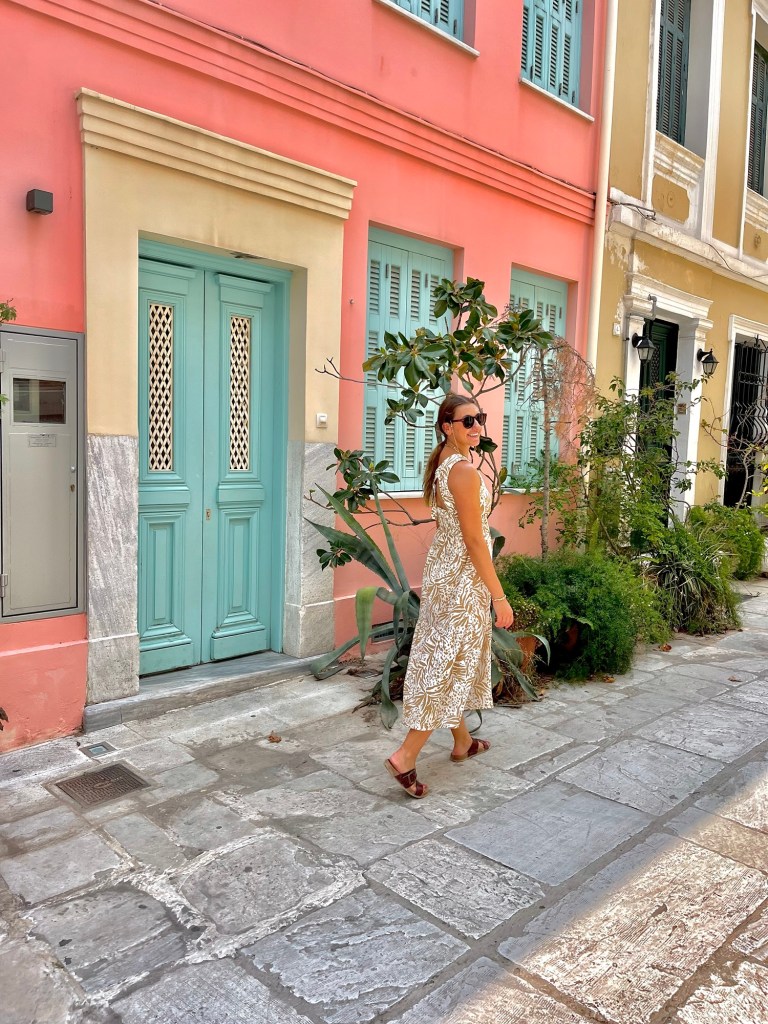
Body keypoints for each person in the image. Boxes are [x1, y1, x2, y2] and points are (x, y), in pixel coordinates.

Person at [385, 392, 515, 798]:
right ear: (447, 427)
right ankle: (406, 755)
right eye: (467, 421)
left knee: (449, 657)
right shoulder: (463, 472)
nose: (477, 427)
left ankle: (462, 742)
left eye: (480, 418)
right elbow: (475, 541)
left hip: (445, 575)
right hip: (461, 581)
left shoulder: (444, 461)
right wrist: (499, 597)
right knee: (447, 665)